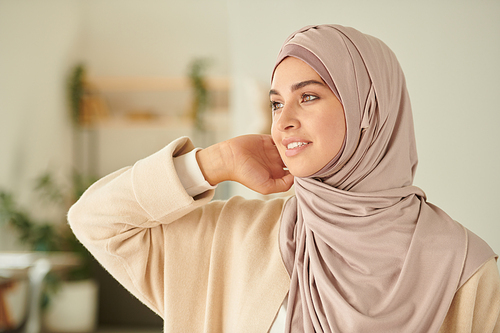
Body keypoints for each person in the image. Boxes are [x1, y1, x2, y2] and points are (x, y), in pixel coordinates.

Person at [68, 24, 500, 332]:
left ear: (369, 111)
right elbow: (94, 219)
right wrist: (213, 162)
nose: (284, 122)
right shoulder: (233, 239)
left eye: (308, 97)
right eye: (276, 104)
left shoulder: (465, 270)